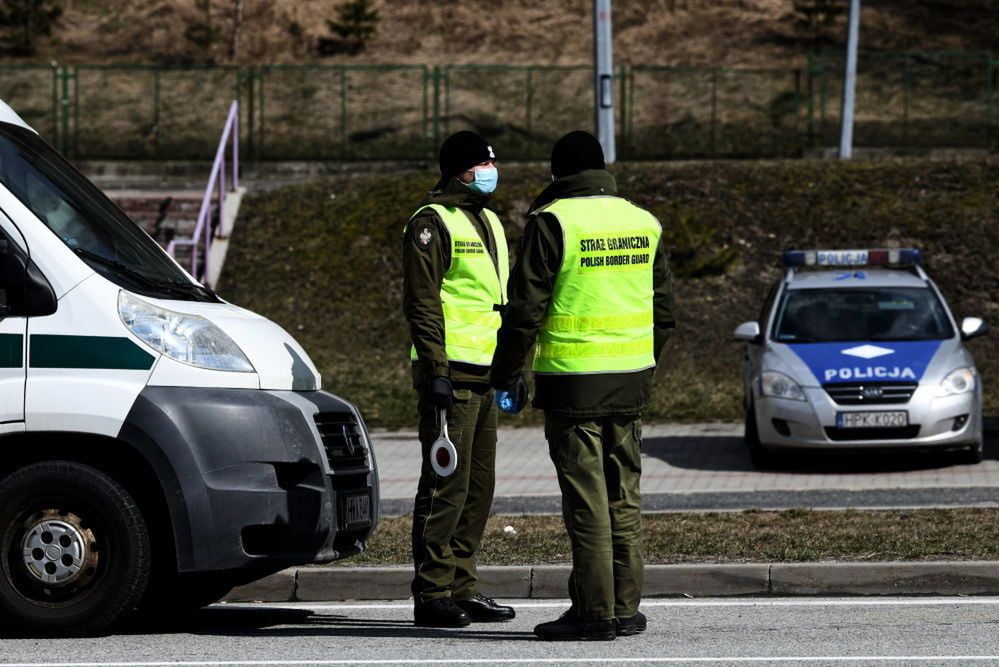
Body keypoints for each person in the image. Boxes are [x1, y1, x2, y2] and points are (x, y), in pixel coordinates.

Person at [490, 131, 675, 641]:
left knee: (587, 502)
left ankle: (595, 613)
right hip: (630, 383)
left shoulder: (553, 222)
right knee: (624, 497)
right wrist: (641, 364)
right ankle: (625, 608)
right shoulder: (643, 221)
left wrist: (506, 372)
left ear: (558, 174)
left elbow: (525, 311)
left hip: (574, 386)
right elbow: (664, 312)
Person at [402, 130, 516, 628]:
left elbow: (499, 301)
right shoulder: (431, 223)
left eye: (492, 162)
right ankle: (432, 593)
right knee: (445, 484)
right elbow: (423, 303)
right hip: (450, 372)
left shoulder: (489, 219)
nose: (491, 170)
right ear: (460, 170)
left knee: (477, 487)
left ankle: (462, 586)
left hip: (487, 371)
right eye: (482, 164)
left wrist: (512, 367)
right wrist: (436, 371)